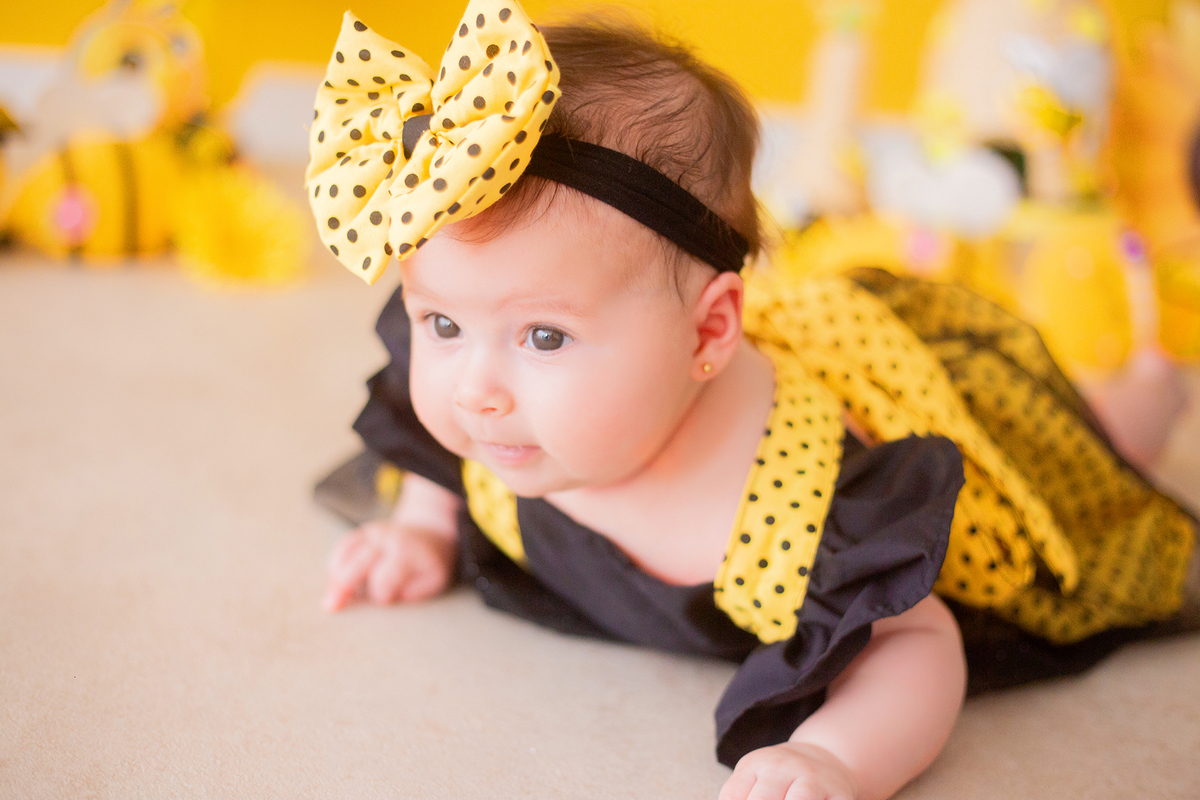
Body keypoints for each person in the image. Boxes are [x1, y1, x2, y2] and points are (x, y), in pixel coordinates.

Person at [306, 2, 1198, 798]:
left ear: (706, 334)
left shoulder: (799, 506)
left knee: (1076, 457)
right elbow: (433, 440)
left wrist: (840, 756)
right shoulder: (500, 415)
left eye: (544, 337)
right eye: (442, 324)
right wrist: (425, 523)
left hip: (904, 395)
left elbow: (920, 646)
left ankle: (1150, 392)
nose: (474, 391)